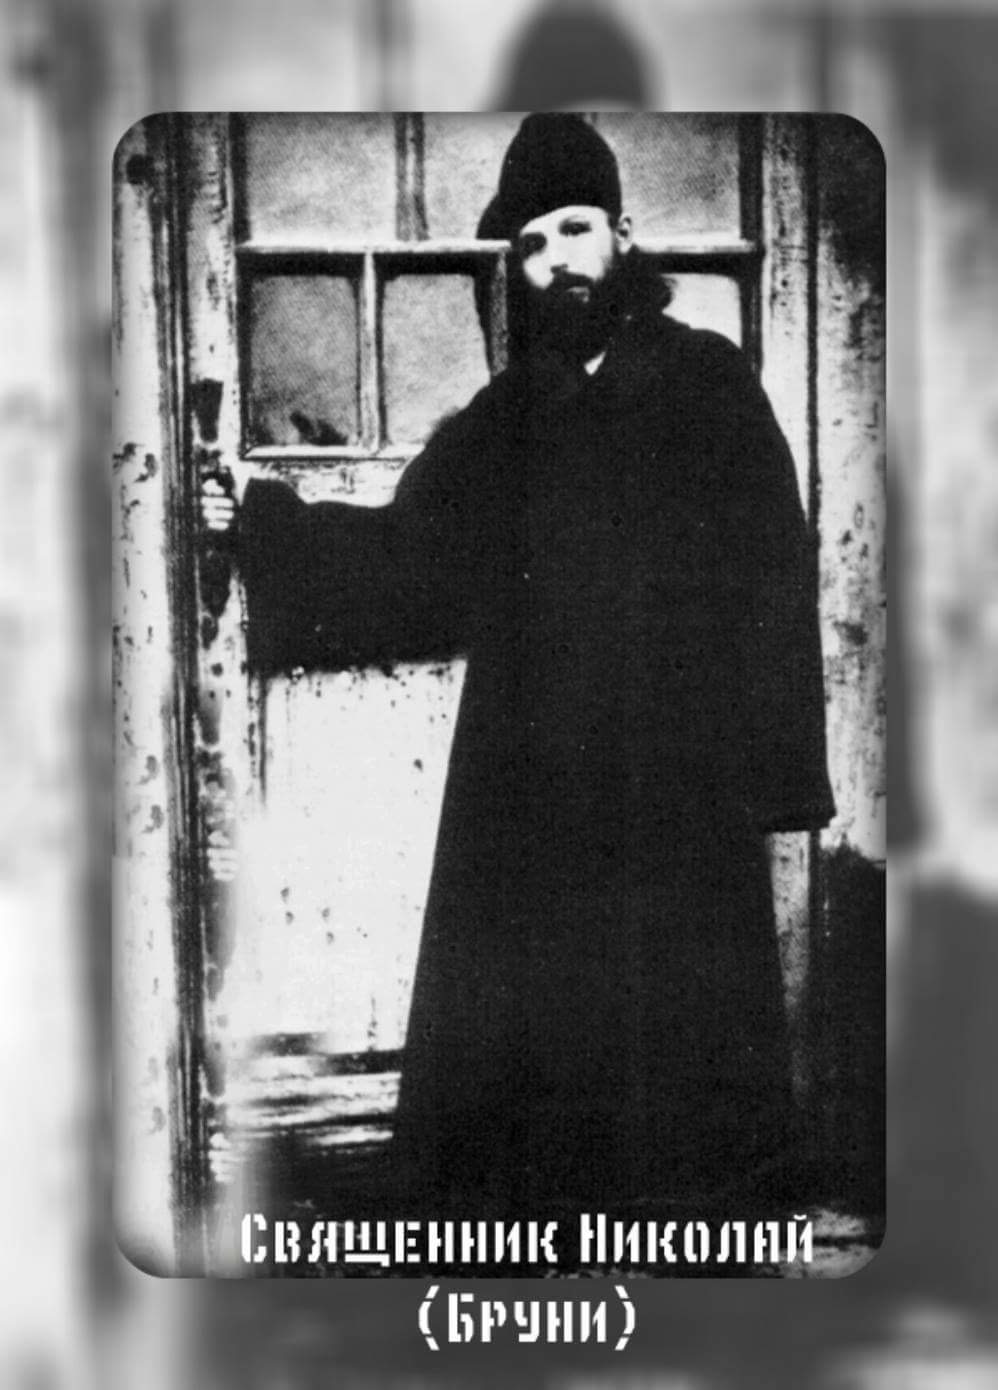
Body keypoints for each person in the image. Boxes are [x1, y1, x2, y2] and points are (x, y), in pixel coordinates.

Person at [203, 114, 835, 1219]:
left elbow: (773, 569)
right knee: (536, 1016)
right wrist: (260, 515)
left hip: (674, 770)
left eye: (575, 229)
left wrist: (773, 769)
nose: (555, 261)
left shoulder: (707, 382)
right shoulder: (506, 418)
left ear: (622, 236)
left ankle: (685, 1232)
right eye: (532, 243)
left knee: (677, 1025)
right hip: (531, 770)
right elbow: (409, 556)